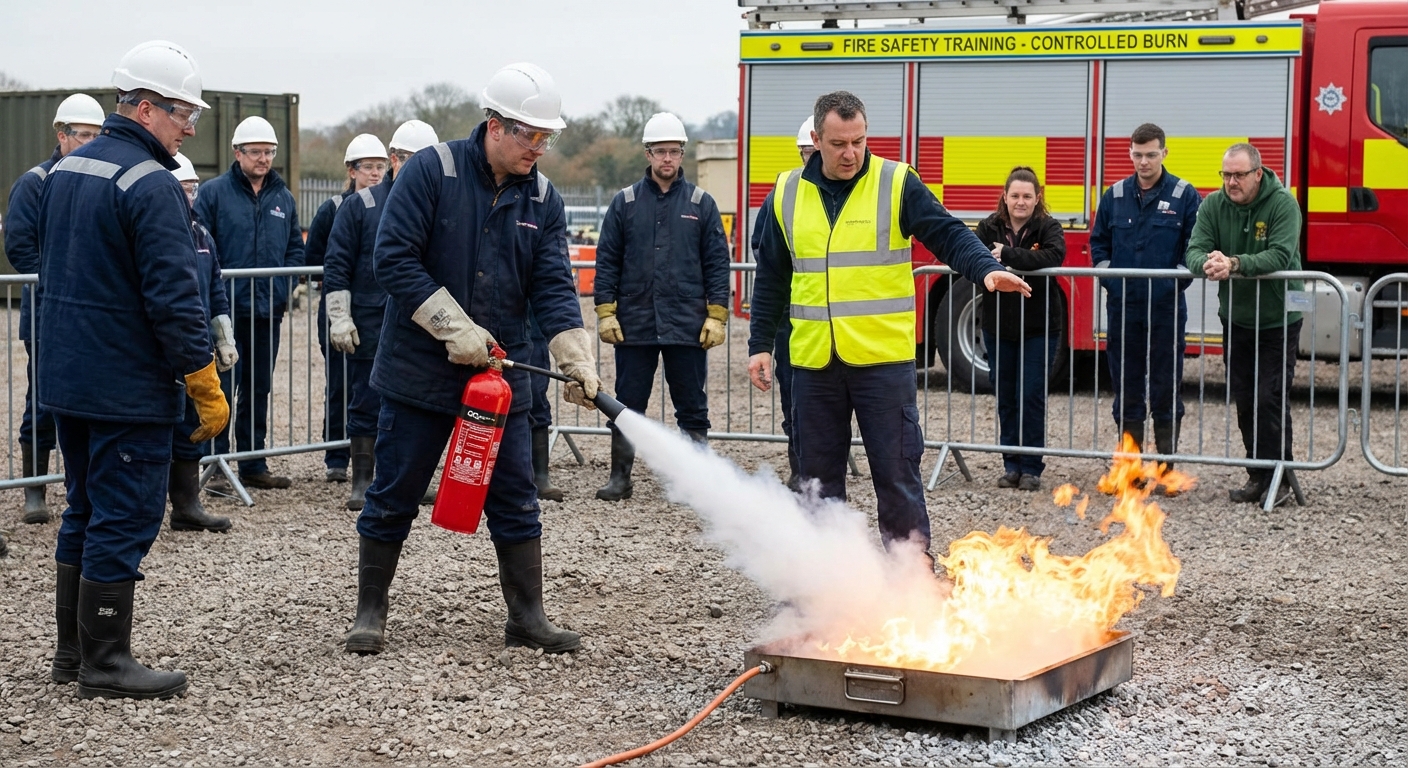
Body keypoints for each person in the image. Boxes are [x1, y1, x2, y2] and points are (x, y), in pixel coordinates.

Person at [345, 63, 600, 656]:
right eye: (529, 136)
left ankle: (527, 617)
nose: (539, 148)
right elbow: (394, 258)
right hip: (420, 374)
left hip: (500, 377)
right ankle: (370, 613)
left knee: (515, 497)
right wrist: (451, 327)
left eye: (547, 137)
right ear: (494, 124)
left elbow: (555, 286)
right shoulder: (433, 171)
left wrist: (574, 355)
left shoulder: (543, 195)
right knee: (393, 494)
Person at [747, 91, 1031, 554]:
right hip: (814, 365)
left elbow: (948, 233)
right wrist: (760, 343)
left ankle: (912, 584)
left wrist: (985, 268)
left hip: (883, 364)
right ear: (816, 139)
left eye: (859, 140)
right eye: (839, 143)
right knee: (816, 486)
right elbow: (773, 277)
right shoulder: (786, 192)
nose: (851, 153)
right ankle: (826, 588)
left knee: (897, 478)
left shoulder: (896, 182)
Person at [38, 40, 228, 699]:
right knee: (123, 514)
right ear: (146, 108)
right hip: (125, 385)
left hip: (68, 376)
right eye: (183, 114)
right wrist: (202, 379)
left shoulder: (65, 171)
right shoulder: (150, 184)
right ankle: (106, 661)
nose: (189, 129)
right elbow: (175, 298)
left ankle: (72, 654)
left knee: (84, 510)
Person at [592, 112, 730, 501]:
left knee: (692, 406)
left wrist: (717, 315)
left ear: (682, 153)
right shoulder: (625, 203)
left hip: (687, 326)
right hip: (635, 325)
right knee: (628, 404)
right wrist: (605, 311)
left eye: (674, 151)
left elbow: (717, 263)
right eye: (660, 151)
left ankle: (696, 482)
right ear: (647, 153)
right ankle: (620, 478)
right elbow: (608, 260)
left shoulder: (702, 204)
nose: (667, 158)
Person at [324, 121, 439, 511]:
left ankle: (412, 479)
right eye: (414, 161)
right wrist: (340, 317)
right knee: (366, 403)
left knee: (418, 405)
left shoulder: (436, 204)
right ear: (395, 160)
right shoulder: (363, 205)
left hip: (421, 323)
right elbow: (336, 265)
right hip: (371, 324)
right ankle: (362, 482)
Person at [5, 93, 105, 525]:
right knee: (43, 401)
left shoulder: (99, 181)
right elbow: (20, 247)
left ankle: (84, 489)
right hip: (48, 313)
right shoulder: (35, 183)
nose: (89, 143)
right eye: (82, 135)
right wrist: (60, 284)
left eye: (96, 136)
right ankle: (33, 491)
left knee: (90, 402)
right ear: (61, 135)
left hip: (92, 313)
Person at [1185, 143, 1303, 507]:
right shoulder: (1213, 205)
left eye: (1238, 175)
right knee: (1245, 397)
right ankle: (1257, 474)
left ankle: (1280, 476)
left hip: (1279, 317)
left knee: (1270, 397)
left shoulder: (1283, 203)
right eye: (1226, 175)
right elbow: (1193, 250)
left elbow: (1280, 254)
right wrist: (1208, 263)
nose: (1231, 182)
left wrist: (1234, 264)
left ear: (1257, 173)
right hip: (1236, 318)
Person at [194, 115, 305, 490]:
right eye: (256, 151)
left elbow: (295, 249)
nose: (263, 158)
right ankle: (217, 463)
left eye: (269, 152)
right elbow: (200, 247)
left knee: (258, 388)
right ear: (237, 152)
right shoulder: (213, 194)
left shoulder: (283, 198)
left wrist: (281, 289)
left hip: (266, 311)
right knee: (222, 387)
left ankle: (253, 464)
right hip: (226, 313)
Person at [1089, 122, 1201, 459]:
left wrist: (1169, 286)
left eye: (1151, 155)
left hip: (1166, 308)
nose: (1144, 162)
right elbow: (1099, 248)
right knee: (1127, 386)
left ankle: (1167, 466)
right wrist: (1115, 285)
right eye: (1137, 155)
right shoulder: (1116, 195)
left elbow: (1193, 250)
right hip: (1124, 307)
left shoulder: (1184, 195)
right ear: (1130, 153)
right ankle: (1131, 466)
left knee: (1166, 385)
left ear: (1164, 153)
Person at [975, 167, 1067, 492]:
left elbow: (1054, 255)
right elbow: (976, 258)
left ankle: (1031, 467)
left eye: (1027, 196)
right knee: (1006, 396)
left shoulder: (1048, 226)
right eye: (1015, 195)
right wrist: (1021, 258)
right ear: (1005, 197)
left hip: (1040, 327)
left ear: (1037, 198)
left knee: (1031, 396)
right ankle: (1010, 465)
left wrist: (1009, 255)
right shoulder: (988, 227)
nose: (1020, 201)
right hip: (998, 326)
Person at [305, 134, 387, 483]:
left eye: (379, 167)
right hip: (341, 310)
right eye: (367, 167)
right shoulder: (334, 209)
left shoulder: (391, 205)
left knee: (374, 388)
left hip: (375, 309)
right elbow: (316, 261)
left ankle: (374, 457)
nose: (374, 174)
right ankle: (336, 457)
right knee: (341, 385)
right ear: (351, 171)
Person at [169, 152, 238, 532]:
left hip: (195, 344)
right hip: (162, 346)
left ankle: (186, 506)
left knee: (190, 424)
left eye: (193, 189)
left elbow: (215, 288)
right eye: (183, 188)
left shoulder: (202, 235)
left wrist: (223, 338)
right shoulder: (157, 231)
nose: (190, 196)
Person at [749, 116, 815, 491]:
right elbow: (767, 257)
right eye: (806, 154)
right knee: (793, 404)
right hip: (791, 322)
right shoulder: (782, 195)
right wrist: (761, 342)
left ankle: (821, 474)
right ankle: (801, 470)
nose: (811, 161)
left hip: (830, 325)